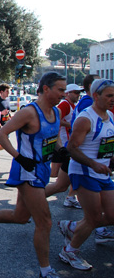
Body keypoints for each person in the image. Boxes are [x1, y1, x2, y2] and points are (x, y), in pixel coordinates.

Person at [0, 72, 67, 278]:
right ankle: (45, 270)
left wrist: (61, 150)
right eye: (60, 90)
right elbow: (2, 134)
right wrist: (19, 157)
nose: (63, 94)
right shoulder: (29, 112)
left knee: (21, 217)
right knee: (45, 221)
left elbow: (53, 137)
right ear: (46, 88)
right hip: (27, 171)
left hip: (43, 169)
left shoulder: (56, 113)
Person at [57, 79, 114, 271]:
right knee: (94, 218)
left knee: (112, 215)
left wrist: (109, 161)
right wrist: (93, 164)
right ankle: (70, 251)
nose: (113, 99)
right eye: (109, 96)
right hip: (84, 171)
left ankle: (72, 227)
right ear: (95, 96)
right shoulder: (85, 118)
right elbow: (72, 149)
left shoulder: (110, 117)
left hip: (103, 173)